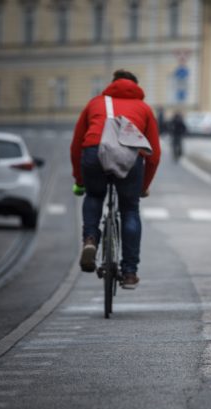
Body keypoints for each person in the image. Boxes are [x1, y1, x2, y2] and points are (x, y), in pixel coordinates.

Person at [70, 69, 161, 289]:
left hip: (94, 153)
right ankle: (129, 273)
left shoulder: (95, 103)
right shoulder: (143, 108)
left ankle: (90, 239)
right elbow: (154, 155)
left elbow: (76, 145)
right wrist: (143, 186)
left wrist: (80, 180)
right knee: (129, 209)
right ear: (136, 87)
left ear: (112, 85)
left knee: (94, 195)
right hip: (130, 159)